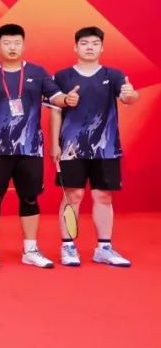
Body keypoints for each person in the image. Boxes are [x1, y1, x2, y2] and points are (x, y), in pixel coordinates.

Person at [0, 23, 74, 269]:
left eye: (16, 43)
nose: (12, 47)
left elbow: (56, 97)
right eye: (7, 43)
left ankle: (30, 250)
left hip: (30, 148)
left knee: (30, 198)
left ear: (23, 45)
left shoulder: (38, 72)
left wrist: (67, 99)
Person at [49, 26, 138, 267]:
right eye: (85, 43)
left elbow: (128, 98)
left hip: (106, 147)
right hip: (71, 148)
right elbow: (55, 112)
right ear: (75, 47)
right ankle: (68, 246)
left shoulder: (114, 75)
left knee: (103, 196)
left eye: (95, 43)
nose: (90, 47)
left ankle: (104, 248)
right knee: (73, 195)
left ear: (102, 48)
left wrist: (130, 94)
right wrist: (54, 144)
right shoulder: (62, 76)